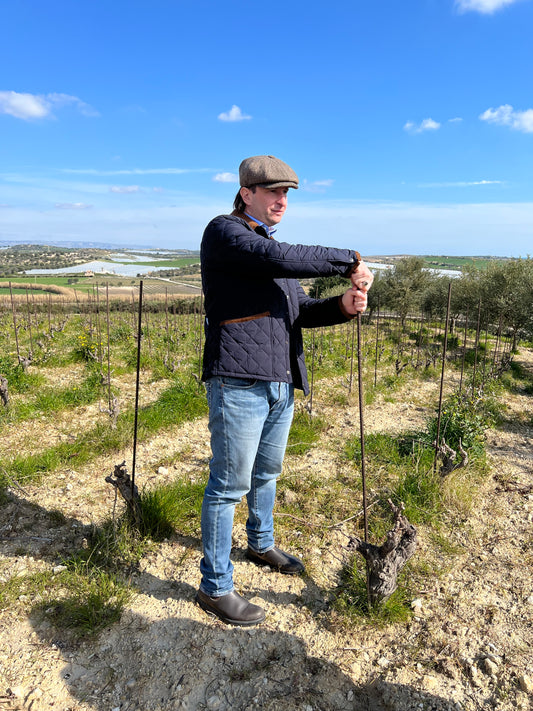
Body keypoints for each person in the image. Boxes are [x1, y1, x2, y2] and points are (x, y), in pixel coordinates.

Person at [196, 155, 373, 626]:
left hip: (280, 381)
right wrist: (349, 259)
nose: (281, 200)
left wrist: (343, 305)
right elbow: (279, 258)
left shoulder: (273, 248)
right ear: (246, 193)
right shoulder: (226, 234)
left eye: (287, 193)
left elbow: (300, 312)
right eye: (273, 191)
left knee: (267, 472)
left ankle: (261, 542)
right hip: (237, 378)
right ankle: (215, 588)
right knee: (228, 485)